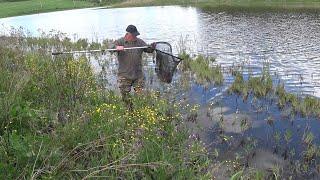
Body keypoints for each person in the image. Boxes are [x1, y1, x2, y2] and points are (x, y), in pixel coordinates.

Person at [111, 25, 155, 109]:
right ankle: (129, 111)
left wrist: (152, 47)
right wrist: (117, 48)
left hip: (138, 75)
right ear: (128, 34)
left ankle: (140, 110)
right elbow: (111, 47)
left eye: (136, 35)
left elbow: (148, 50)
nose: (135, 37)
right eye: (134, 35)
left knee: (140, 96)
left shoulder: (140, 42)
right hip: (124, 75)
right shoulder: (120, 41)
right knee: (125, 97)